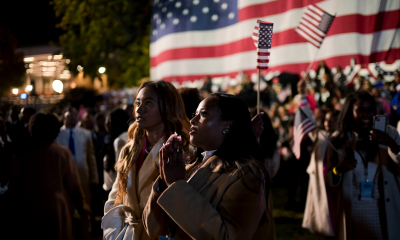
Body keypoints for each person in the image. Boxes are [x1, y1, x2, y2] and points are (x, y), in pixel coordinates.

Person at [143, 93, 276, 240]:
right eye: (195, 114)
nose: (192, 120)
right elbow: (153, 229)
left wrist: (176, 184)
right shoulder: (190, 166)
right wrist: (163, 183)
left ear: (227, 125)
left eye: (203, 114)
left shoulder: (246, 173)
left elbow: (228, 236)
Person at [102, 80, 190, 240]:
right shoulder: (129, 149)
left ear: (167, 107)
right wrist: (112, 233)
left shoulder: (181, 149)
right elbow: (116, 197)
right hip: (128, 233)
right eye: (137, 102)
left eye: (148, 103)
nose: (139, 109)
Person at [326, 91, 400, 240]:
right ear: (350, 112)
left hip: (383, 210)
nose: (366, 114)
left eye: (370, 110)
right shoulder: (338, 139)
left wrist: (393, 146)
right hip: (353, 211)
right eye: (360, 110)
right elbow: (330, 178)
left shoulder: (389, 134)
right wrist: (338, 170)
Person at [8, 113, 91, 239]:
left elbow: (14, 186)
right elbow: (74, 186)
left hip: (27, 208)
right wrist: (82, 208)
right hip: (56, 209)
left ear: (32, 129)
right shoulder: (62, 154)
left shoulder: (22, 154)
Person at [103, 108, 130, 192]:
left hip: (116, 190)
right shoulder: (122, 138)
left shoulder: (120, 141)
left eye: (108, 121)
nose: (106, 124)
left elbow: (121, 172)